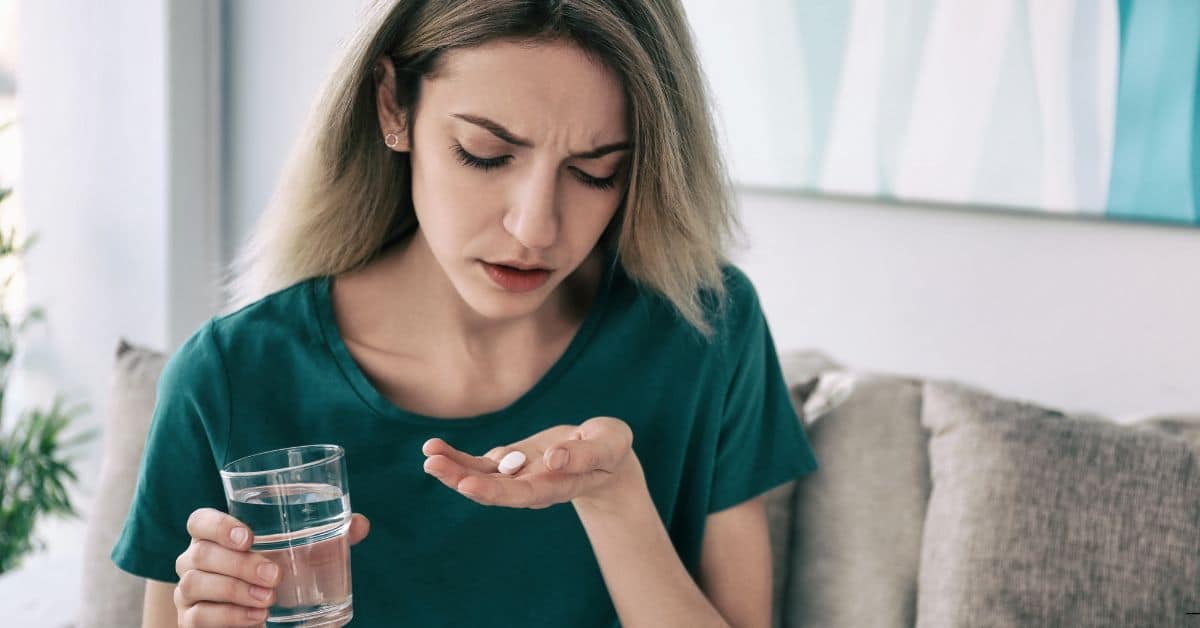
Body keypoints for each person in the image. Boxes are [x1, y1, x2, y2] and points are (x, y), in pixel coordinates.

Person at [110, 0, 818, 626]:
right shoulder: (232, 379)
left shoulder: (703, 330)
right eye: (485, 154)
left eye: (596, 169)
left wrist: (617, 503)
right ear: (394, 106)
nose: (537, 227)